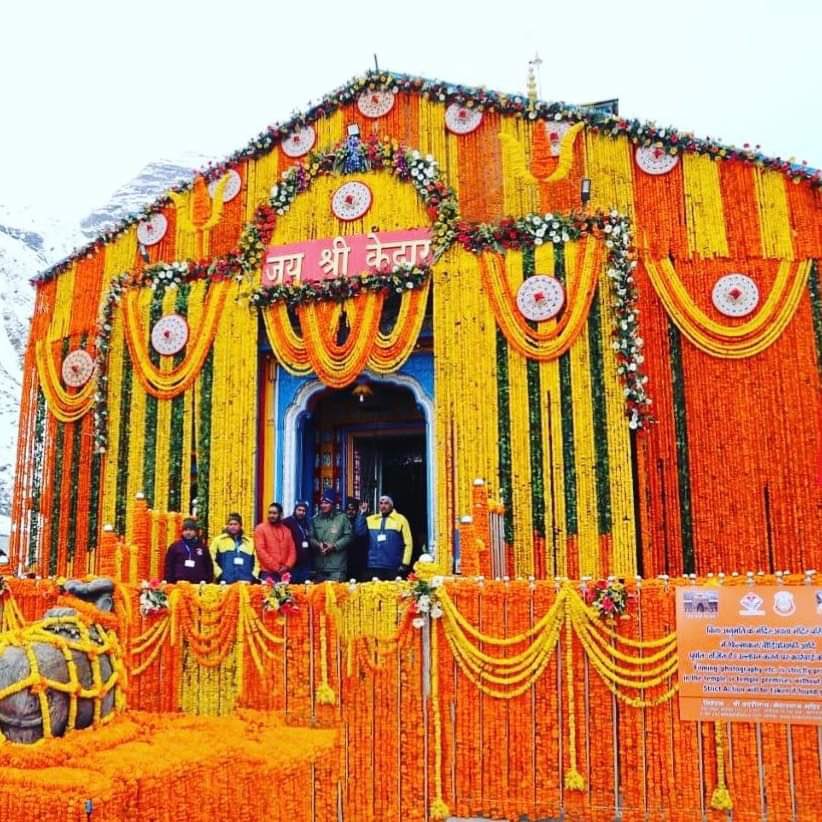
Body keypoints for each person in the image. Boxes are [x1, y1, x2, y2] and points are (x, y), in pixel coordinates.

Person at [355, 494, 413, 580]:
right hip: (374, 564)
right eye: (381, 503)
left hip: (393, 565)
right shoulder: (371, 519)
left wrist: (405, 563)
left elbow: (408, 543)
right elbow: (359, 533)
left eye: (386, 503)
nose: (383, 506)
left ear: (391, 505)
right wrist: (362, 513)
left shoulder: (401, 519)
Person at [308, 489, 352, 582]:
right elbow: (310, 537)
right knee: (319, 591)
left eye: (327, 503)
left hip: (337, 567)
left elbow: (349, 537)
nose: (323, 505)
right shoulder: (315, 519)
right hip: (320, 566)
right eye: (322, 503)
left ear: (333, 504)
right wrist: (318, 545)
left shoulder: (342, 518)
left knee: (336, 591)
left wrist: (334, 546)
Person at [254, 502, 297, 583]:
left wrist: (287, 566)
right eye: (270, 513)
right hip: (267, 573)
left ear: (281, 515)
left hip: (284, 573)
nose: (271, 515)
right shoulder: (260, 529)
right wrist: (276, 567)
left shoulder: (287, 530)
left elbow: (292, 551)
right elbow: (261, 551)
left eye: (274, 513)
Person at [211, 512, 258, 583]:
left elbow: (257, 560)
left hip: (246, 580)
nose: (233, 526)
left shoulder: (250, 542)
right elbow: (211, 558)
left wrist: (254, 575)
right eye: (230, 524)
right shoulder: (218, 540)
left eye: (235, 524)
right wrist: (219, 573)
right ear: (227, 526)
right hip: (225, 581)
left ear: (240, 526)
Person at [164, 518, 213, 584]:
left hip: (198, 584)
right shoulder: (175, 546)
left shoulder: (202, 547)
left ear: (195, 531)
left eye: (191, 530)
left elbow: (208, 566)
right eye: (185, 530)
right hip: (179, 583)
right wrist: (169, 581)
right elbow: (169, 565)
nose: (188, 532)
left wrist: (208, 582)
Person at [283, 500, 313, 583]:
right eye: (299, 510)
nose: (301, 513)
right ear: (295, 510)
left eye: (304, 511)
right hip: (292, 563)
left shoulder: (306, 523)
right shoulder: (287, 522)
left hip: (304, 563)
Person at [345, 496, 369, 581]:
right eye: (348, 509)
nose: (350, 512)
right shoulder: (343, 522)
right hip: (346, 560)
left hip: (359, 560)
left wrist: (362, 513)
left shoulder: (361, 520)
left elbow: (359, 533)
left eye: (353, 509)